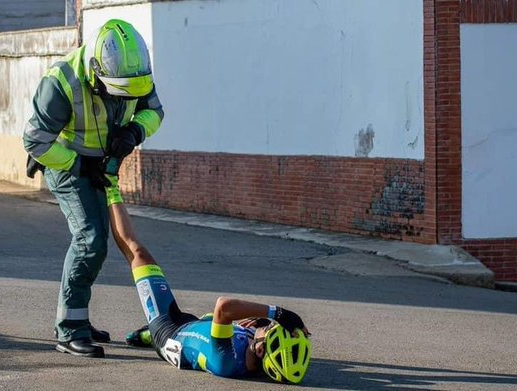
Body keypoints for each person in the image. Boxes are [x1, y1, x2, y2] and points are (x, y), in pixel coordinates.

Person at [22, 19, 164, 358]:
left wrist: (133, 132)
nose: (122, 98)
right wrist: (77, 164)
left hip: (101, 165)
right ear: (96, 72)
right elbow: (35, 141)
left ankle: (79, 318)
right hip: (67, 162)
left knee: (102, 242)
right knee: (91, 239)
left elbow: (155, 112)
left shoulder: (134, 75)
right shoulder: (61, 82)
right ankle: (69, 330)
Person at [105, 178, 313, 384]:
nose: (270, 325)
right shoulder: (258, 352)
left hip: (168, 329)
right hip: (194, 324)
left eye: (270, 330)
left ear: (259, 349)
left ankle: (110, 187)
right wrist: (264, 324)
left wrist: (280, 313)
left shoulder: (226, 361)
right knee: (217, 320)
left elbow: (224, 307)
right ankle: (143, 335)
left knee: (137, 252)